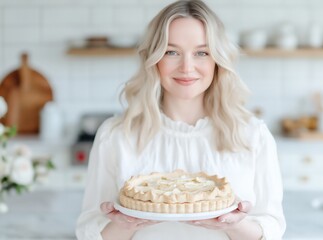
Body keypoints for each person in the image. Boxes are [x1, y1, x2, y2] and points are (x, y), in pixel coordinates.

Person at [76, 0, 286, 239]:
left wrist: (233, 225)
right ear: (154, 58)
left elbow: (271, 228)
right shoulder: (115, 135)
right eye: (171, 52)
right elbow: (89, 231)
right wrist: (125, 224)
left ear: (217, 60)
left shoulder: (252, 135)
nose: (187, 67)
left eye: (202, 53)